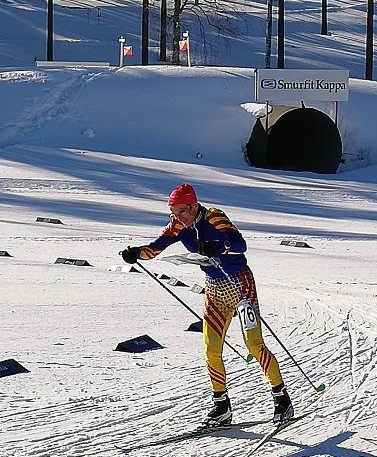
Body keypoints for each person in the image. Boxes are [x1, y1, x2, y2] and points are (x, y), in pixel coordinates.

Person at [120, 183, 292, 427]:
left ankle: (281, 398)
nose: (177, 218)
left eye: (181, 212)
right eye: (174, 213)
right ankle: (221, 406)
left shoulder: (214, 216)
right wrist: (136, 253)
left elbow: (240, 245)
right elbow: (156, 248)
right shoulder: (178, 225)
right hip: (214, 287)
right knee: (211, 347)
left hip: (239, 283)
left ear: (193, 206)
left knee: (254, 344)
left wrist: (219, 247)